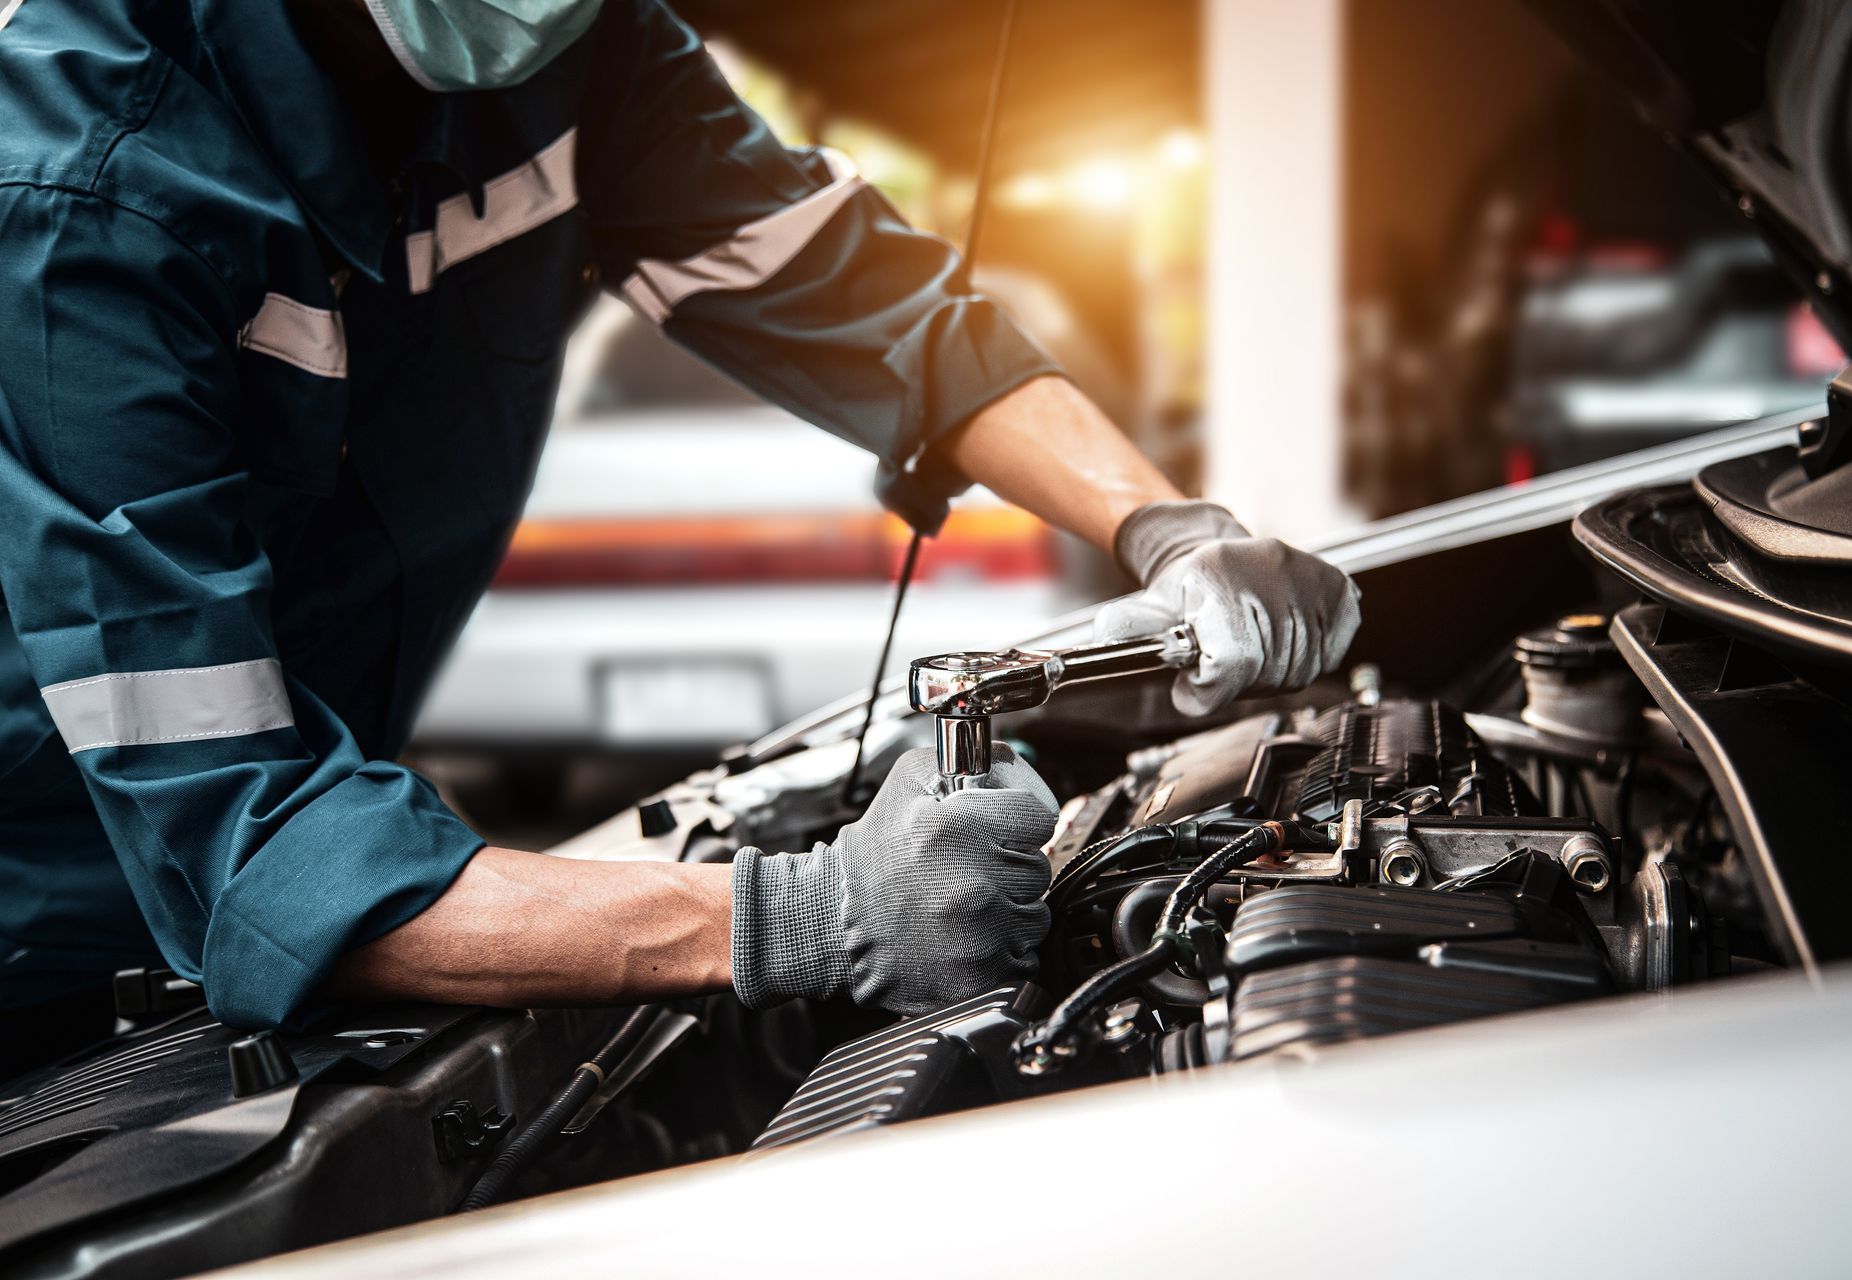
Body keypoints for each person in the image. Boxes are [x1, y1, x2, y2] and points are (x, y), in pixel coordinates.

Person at [0, 0, 1360, 1068]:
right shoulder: (83, 205)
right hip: (45, 954)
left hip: (275, 899)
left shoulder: (579, 56)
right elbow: (247, 839)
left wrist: (1169, 530)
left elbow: (870, 305)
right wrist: (806, 919)